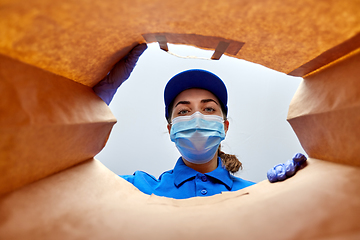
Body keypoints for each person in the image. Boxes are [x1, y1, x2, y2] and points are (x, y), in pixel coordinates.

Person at [93, 43, 307, 199]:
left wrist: (299, 190)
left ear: (224, 126)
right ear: (170, 129)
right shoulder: (138, 188)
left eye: (208, 109)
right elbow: (66, 175)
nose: (197, 117)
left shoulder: (256, 193)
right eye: (184, 111)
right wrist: (91, 104)